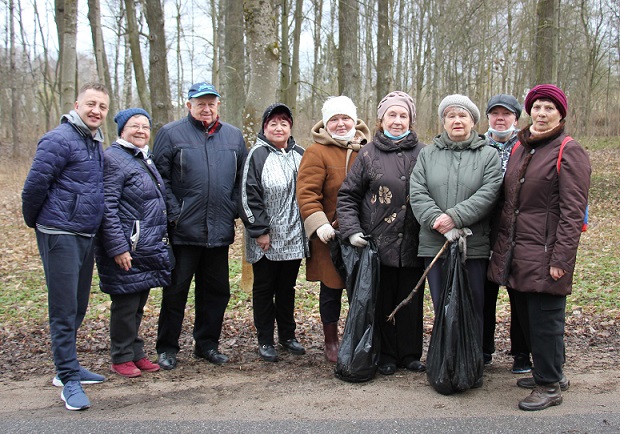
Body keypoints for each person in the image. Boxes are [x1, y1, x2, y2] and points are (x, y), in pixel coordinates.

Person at [488, 84, 591, 411]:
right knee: (529, 318)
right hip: (517, 251)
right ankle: (552, 373)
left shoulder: (568, 150)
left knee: (546, 321)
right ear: (529, 111)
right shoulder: (522, 147)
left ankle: (549, 386)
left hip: (547, 253)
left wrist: (561, 258)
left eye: (550, 108)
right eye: (538, 107)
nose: (543, 113)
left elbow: (573, 213)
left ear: (561, 114)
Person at [22, 82, 110, 411]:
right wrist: (42, 224)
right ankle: (68, 378)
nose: (96, 111)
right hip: (60, 232)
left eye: (102, 106)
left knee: (78, 305)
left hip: (84, 234)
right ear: (77, 104)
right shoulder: (59, 139)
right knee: (63, 308)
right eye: (91, 104)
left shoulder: (93, 142)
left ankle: (67, 367)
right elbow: (33, 187)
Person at [153, 82, 247, 370]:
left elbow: (240, 181)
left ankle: (207, 344)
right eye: (200, 103)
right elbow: (159, 178)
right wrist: (175, 212)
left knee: (216, 292)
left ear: (218, 105)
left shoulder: (233, 136)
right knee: (175, 292)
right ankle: (167, 347)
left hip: (218, 232)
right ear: (189, 105)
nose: (206, 108)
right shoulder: (170, 134)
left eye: (211, 103)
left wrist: (231, 208)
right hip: (184, 231)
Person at [409, 94, 503, 366]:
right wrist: (437, 219)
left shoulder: (488, 155)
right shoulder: (428, 154)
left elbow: (489, 193)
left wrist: (455, 217)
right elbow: (417, 191)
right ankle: (446, 361)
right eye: (451, 116)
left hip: (471, 246)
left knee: (472, 306)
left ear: (473, 121)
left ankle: (470, 363)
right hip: (434, 243)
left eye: (463, 116)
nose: (457, 120)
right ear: (444, 122)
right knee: (442, 304)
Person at [337, 91, 426, 376]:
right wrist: (352, 231)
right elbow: (348, 196)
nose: (397, 121)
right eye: (392, 115)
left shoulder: (425, 153)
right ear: (381, 119)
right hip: (378, 243)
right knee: (383, 300)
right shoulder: (368, 153)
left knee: (411, 301)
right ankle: (386, 354)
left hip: (414, 242)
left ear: (411, 120)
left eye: (403, 116)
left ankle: (410, 354)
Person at [95, 108, 171, 378]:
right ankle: (121, 356)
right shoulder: (113, 159)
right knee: (125, 305)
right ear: (122, 130)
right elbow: (107, 207)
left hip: (144, 246)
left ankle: (135, 352)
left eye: (145, 126)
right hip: (127, 248)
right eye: (134, 126)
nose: (141, 130)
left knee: (137, 304)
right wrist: (118, 247)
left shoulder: (141, 158)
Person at [296, 96, 371, 362]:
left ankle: (360, 337)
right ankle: (331, 341)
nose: (340, 124)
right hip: (330, 237)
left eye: (345, 118)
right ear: (326, 123)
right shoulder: (316, 152)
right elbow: (306, 193)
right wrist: (320, 224)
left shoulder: (369, 149)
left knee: (361, 290)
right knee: (332, 289)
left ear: (355, 120)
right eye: (334, 119)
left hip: (365, 234)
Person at [238, 103, 308, 362]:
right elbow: (248, 195)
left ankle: (288, 336)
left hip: (294, 238)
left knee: (287, 288)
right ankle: (265, 339)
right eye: (273, 123)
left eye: (284, 123)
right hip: (266, 238)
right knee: (265, 288)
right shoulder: (256, 155)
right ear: (265, 127)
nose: (279, 128)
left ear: (290, 127)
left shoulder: (301, 153)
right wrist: (259, 231)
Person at [482, 94, 532, 373]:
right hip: (482, 230)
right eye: (495, 113)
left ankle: (522, 353)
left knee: (520, 293)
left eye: (506, 114)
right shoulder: (477, 144)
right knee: (483, 294)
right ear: (488, 117)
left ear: (516, 118)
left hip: (518, 231)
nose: (500, 118)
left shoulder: (526, 146)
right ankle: (483, 349)